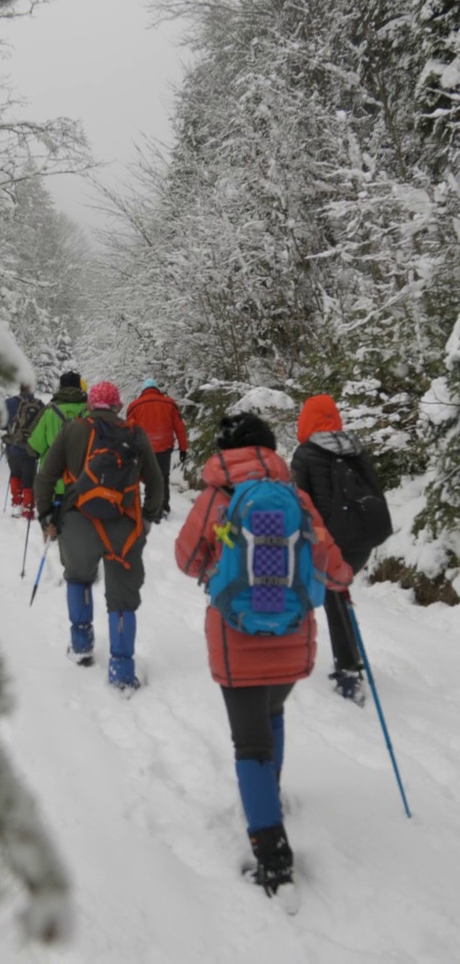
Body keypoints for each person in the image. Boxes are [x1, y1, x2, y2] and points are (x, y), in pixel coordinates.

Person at [175, 412, 353, 898]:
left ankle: (272, 858)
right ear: (271, 450)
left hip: (236, 638)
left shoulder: (216, 497)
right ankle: (268, 798)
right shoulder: (295, 498)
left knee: (249, 743)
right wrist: (339, 585)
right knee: (273, 713)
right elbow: (333, 567)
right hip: (292, 633)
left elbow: (186, 559)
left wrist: (219, 562)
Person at [35, 381, 164, 691]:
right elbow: (157, 483)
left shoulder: (72, 430)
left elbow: (46, 475)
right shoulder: (135, 433)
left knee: (78, 577)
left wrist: (46, 517)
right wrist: (146, 519)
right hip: (124, 525)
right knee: (122, 598)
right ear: (118, 405)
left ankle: (81, 645)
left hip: (78, 520)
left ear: (90, 405)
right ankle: (121, 671)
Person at [291, 393, 392, 704]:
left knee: (333, 595)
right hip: (364, 537)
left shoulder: (305, 454)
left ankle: (348, 671)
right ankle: (348, 657)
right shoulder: (355, 448)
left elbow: (300, 503)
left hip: (332, 540)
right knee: (337, 593)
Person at [27, 370, 88, 519]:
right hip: (83, 480)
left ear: (61, 387)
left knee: (55, 522)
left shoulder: (49, 411)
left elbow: (35, 445)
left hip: (54, 481)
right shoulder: (88, 411)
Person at [126, 378, 188, 517]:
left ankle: (151, 507)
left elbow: (129, 430)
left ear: (143, 390)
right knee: (163, 477)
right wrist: (183, 448)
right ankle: (164, 506)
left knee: (148, 477)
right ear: (157, 390)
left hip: (144, 448)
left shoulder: (134, 406)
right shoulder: (169, 403)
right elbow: (179, 427)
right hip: (164, 447)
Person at [3, 384, 44, 519]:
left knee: (15, 474)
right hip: (31, 448)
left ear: (20, 387)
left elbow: (1, 424)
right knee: (29, 478)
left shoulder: (9, 403)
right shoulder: (40, 404)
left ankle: (17, 504)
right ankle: (28, 509)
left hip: (13, 446)